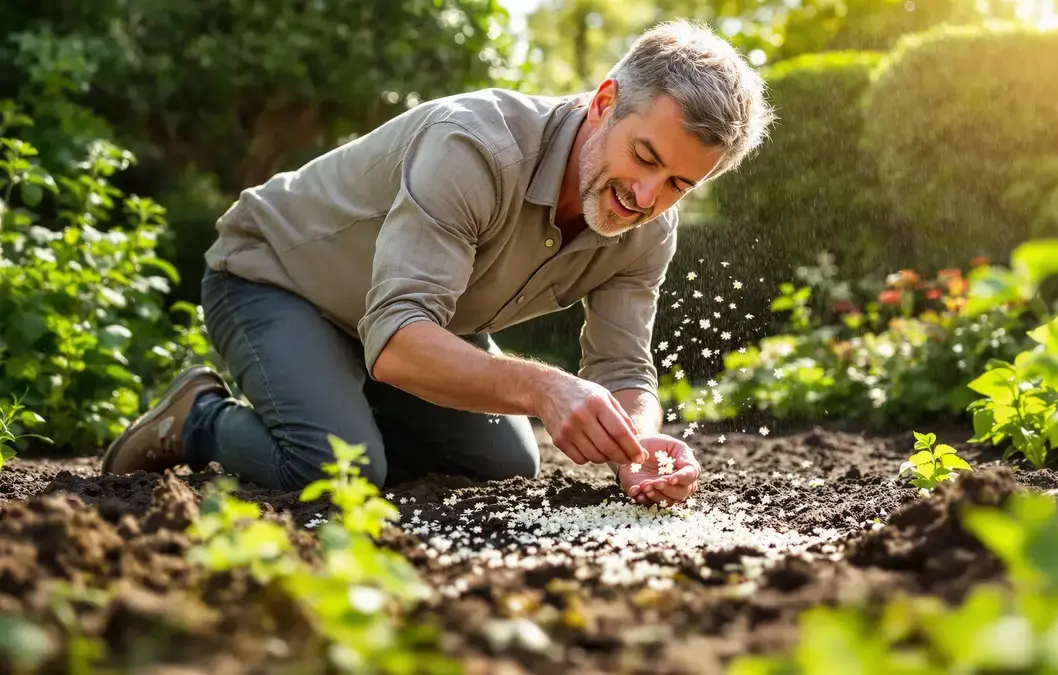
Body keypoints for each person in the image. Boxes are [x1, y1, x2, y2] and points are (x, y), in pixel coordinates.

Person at [100, 19, 774, 507]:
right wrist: (544, 388)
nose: (646, 197)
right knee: (337, 469)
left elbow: (624, 368)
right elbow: (397, 343)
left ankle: (331, 401)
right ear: (603, 104)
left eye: (680, 185)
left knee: (501, 462)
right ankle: (196, 418)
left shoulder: (649, 226)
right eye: (646, 157)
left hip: (397, 322)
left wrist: (639, 450)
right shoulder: (476, 147)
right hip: (275, 281)